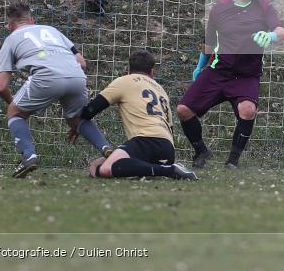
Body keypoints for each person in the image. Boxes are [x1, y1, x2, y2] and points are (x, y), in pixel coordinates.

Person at [177, 0, 284, 169]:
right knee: (183, 110)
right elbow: (209, 43)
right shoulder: (218, 9)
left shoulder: (263, 6)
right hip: (218, 71)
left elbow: (280, 31)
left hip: (247, 75)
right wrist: (200, 66)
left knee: (248, 110)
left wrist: (270, 36)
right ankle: (201, 150)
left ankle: (232, 161)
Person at [0, 2, 113, 178]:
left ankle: (29, 156)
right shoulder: (52, 30)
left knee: (15, 112)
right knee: (76, 119)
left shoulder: (11, 39)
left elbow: (1, 86)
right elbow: (82, 63)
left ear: (10, 26)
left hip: (46, 77)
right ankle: (107, 149)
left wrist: (14, 105)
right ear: (32, 20)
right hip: (76, 76)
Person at [74, 50, 197, 181]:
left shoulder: (124, 81)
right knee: (120, 164)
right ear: (152, 72)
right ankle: (165, 168)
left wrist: (76, 120)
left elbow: (90, 111)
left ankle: (168, 170)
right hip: (167, 148)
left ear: (129, 69)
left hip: (145, 141)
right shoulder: (160, 89)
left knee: (104, 169)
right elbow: (170, 128)